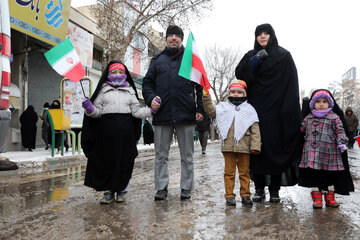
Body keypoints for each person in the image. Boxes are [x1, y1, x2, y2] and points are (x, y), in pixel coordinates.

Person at [235, 23, 301, 203]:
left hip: (278, 113)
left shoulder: (283, 56)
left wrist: (289, 111)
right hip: (255, 112)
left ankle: (274, 190)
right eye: (259, 34)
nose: (263, 37)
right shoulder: (251, 55)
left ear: (272, 35)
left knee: (275, 150)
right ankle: (258, 189)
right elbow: (240, 76)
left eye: (266, 33)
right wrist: (255, 61)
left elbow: (291, 85)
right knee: (256, 150)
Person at [142, 25, 204, 201]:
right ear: (166, 39)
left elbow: (200, 85)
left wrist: (200, 108)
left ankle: (186, 187)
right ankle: (161, 188)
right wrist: (151, 98)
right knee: (161, 155)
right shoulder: (157, 60)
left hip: (186, 113)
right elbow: (147, 83)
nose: (174, 38)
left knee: (187, 155)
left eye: (178, 35)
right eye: (171, 35)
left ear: (182, 39)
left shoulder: (190, 59)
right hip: (162, 114)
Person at [81, 60, 152, 204]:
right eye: (114, 72)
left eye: (121, 72)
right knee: (107, 162)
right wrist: (89, 109)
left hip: (125, 135)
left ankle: (121, 191)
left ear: (125, 74)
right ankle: (108, 192)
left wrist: (152, 110)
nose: (117, 74)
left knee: (124, 161)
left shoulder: (130, 91)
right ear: (109, 73)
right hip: (105, 135)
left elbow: (137, 112)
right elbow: (97, 113)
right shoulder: (103, 90)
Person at [202, 80, 261, 206]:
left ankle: (245, 195)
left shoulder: (250, 109)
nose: (236, 94)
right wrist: (206, 97)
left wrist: (255, 146)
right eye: (233, 91)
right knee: (229, 172)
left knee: (244, 172)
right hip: (228, 146)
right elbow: (211, 111)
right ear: (229, 93)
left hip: (244, 147)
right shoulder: (222, 107)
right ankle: (229, 196)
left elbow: (255, 130)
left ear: (244, 93)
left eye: (239, 92)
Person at [299, 89, 354, 208]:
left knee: (330, 176)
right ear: (313, 104)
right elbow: (300, 130)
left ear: (329, 103)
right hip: (313, 153)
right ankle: (317, 199)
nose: (321, 104)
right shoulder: (308, 118)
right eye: (318, 101)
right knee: (315, 176)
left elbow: (340, 130)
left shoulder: (334, 117)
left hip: (330, 153)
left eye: (324, 101)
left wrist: (341, 141)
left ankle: (330, 198)